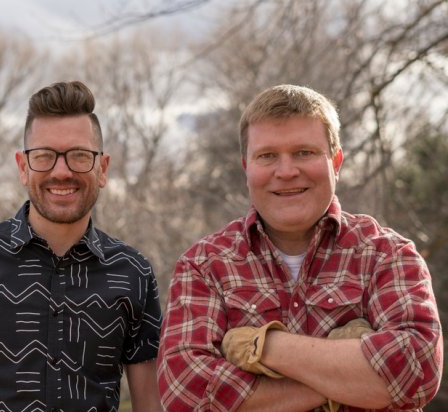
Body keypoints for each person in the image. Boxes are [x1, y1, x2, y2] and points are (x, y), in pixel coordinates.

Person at [156, 84, 443, 411]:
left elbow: (417, 371)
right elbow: (185, 394)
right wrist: (348, 377)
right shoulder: (204, 266)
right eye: (267, 156)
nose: (287, 171)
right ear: (246, 167)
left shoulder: (387, 255)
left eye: (304, 152)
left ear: (336, 161)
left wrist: (264, 347)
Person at [0, 81, 163, 412]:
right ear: (23, 167)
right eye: (44, 156)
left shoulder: (133, 272)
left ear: (102, 169)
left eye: (79, 156)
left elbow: (151, 404)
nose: (62, 171)